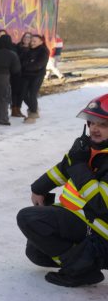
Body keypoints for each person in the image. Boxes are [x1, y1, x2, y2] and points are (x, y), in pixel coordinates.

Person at [16, 94, 108, 287]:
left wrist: (79, 166)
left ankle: (81, 268)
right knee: (36, 253)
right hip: (80, 219)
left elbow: (100, 205)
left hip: (101, 235)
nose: (94, 129)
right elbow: (63, 168)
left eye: (103, 124)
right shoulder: (89, 148)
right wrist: (39, 188)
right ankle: (83, 261)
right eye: (91, 123)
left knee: (28, 218)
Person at [20, 34, 50, 123]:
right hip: (26, 75)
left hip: (37, 75)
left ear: (41, 42)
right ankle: (34, 108)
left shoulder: (43, 50)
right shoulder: (28, 50)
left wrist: (27, 66)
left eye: (34, 41)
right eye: (31, 41)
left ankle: (33, 113)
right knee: (24, 94)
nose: (32, 43)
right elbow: (22, 61)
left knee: (32, 94)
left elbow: (40, 64)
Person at [11, 32, 33, 117]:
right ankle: (14, 109)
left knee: (22, 92)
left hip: (26, 74)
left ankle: (18, 109)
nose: (26, 39)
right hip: (16, 73)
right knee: (15, 91)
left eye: (28, 37)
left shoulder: (32, 49)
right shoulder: (17, 47)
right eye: (25, 37)